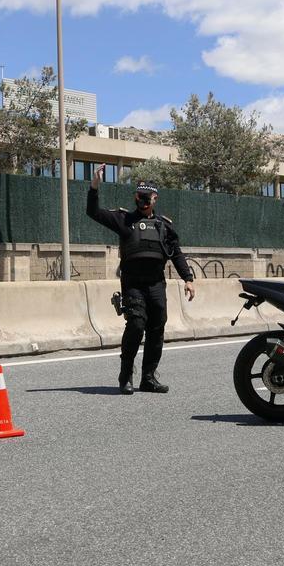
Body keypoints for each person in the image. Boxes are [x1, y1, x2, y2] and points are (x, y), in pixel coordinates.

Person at [87, 164, 196, 395]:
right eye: (139, 196)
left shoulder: (164, 226)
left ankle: (148, 378)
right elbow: (93, 212)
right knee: (136, 325)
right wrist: (94, 186)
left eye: (147, 197)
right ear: (135, 197)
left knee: (157, 329)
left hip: (156, 284)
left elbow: (176, 253)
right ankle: (125, 376)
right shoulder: (124, 220)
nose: (143, 201)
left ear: (155, 198)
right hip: (133, 284)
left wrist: (188, 278)